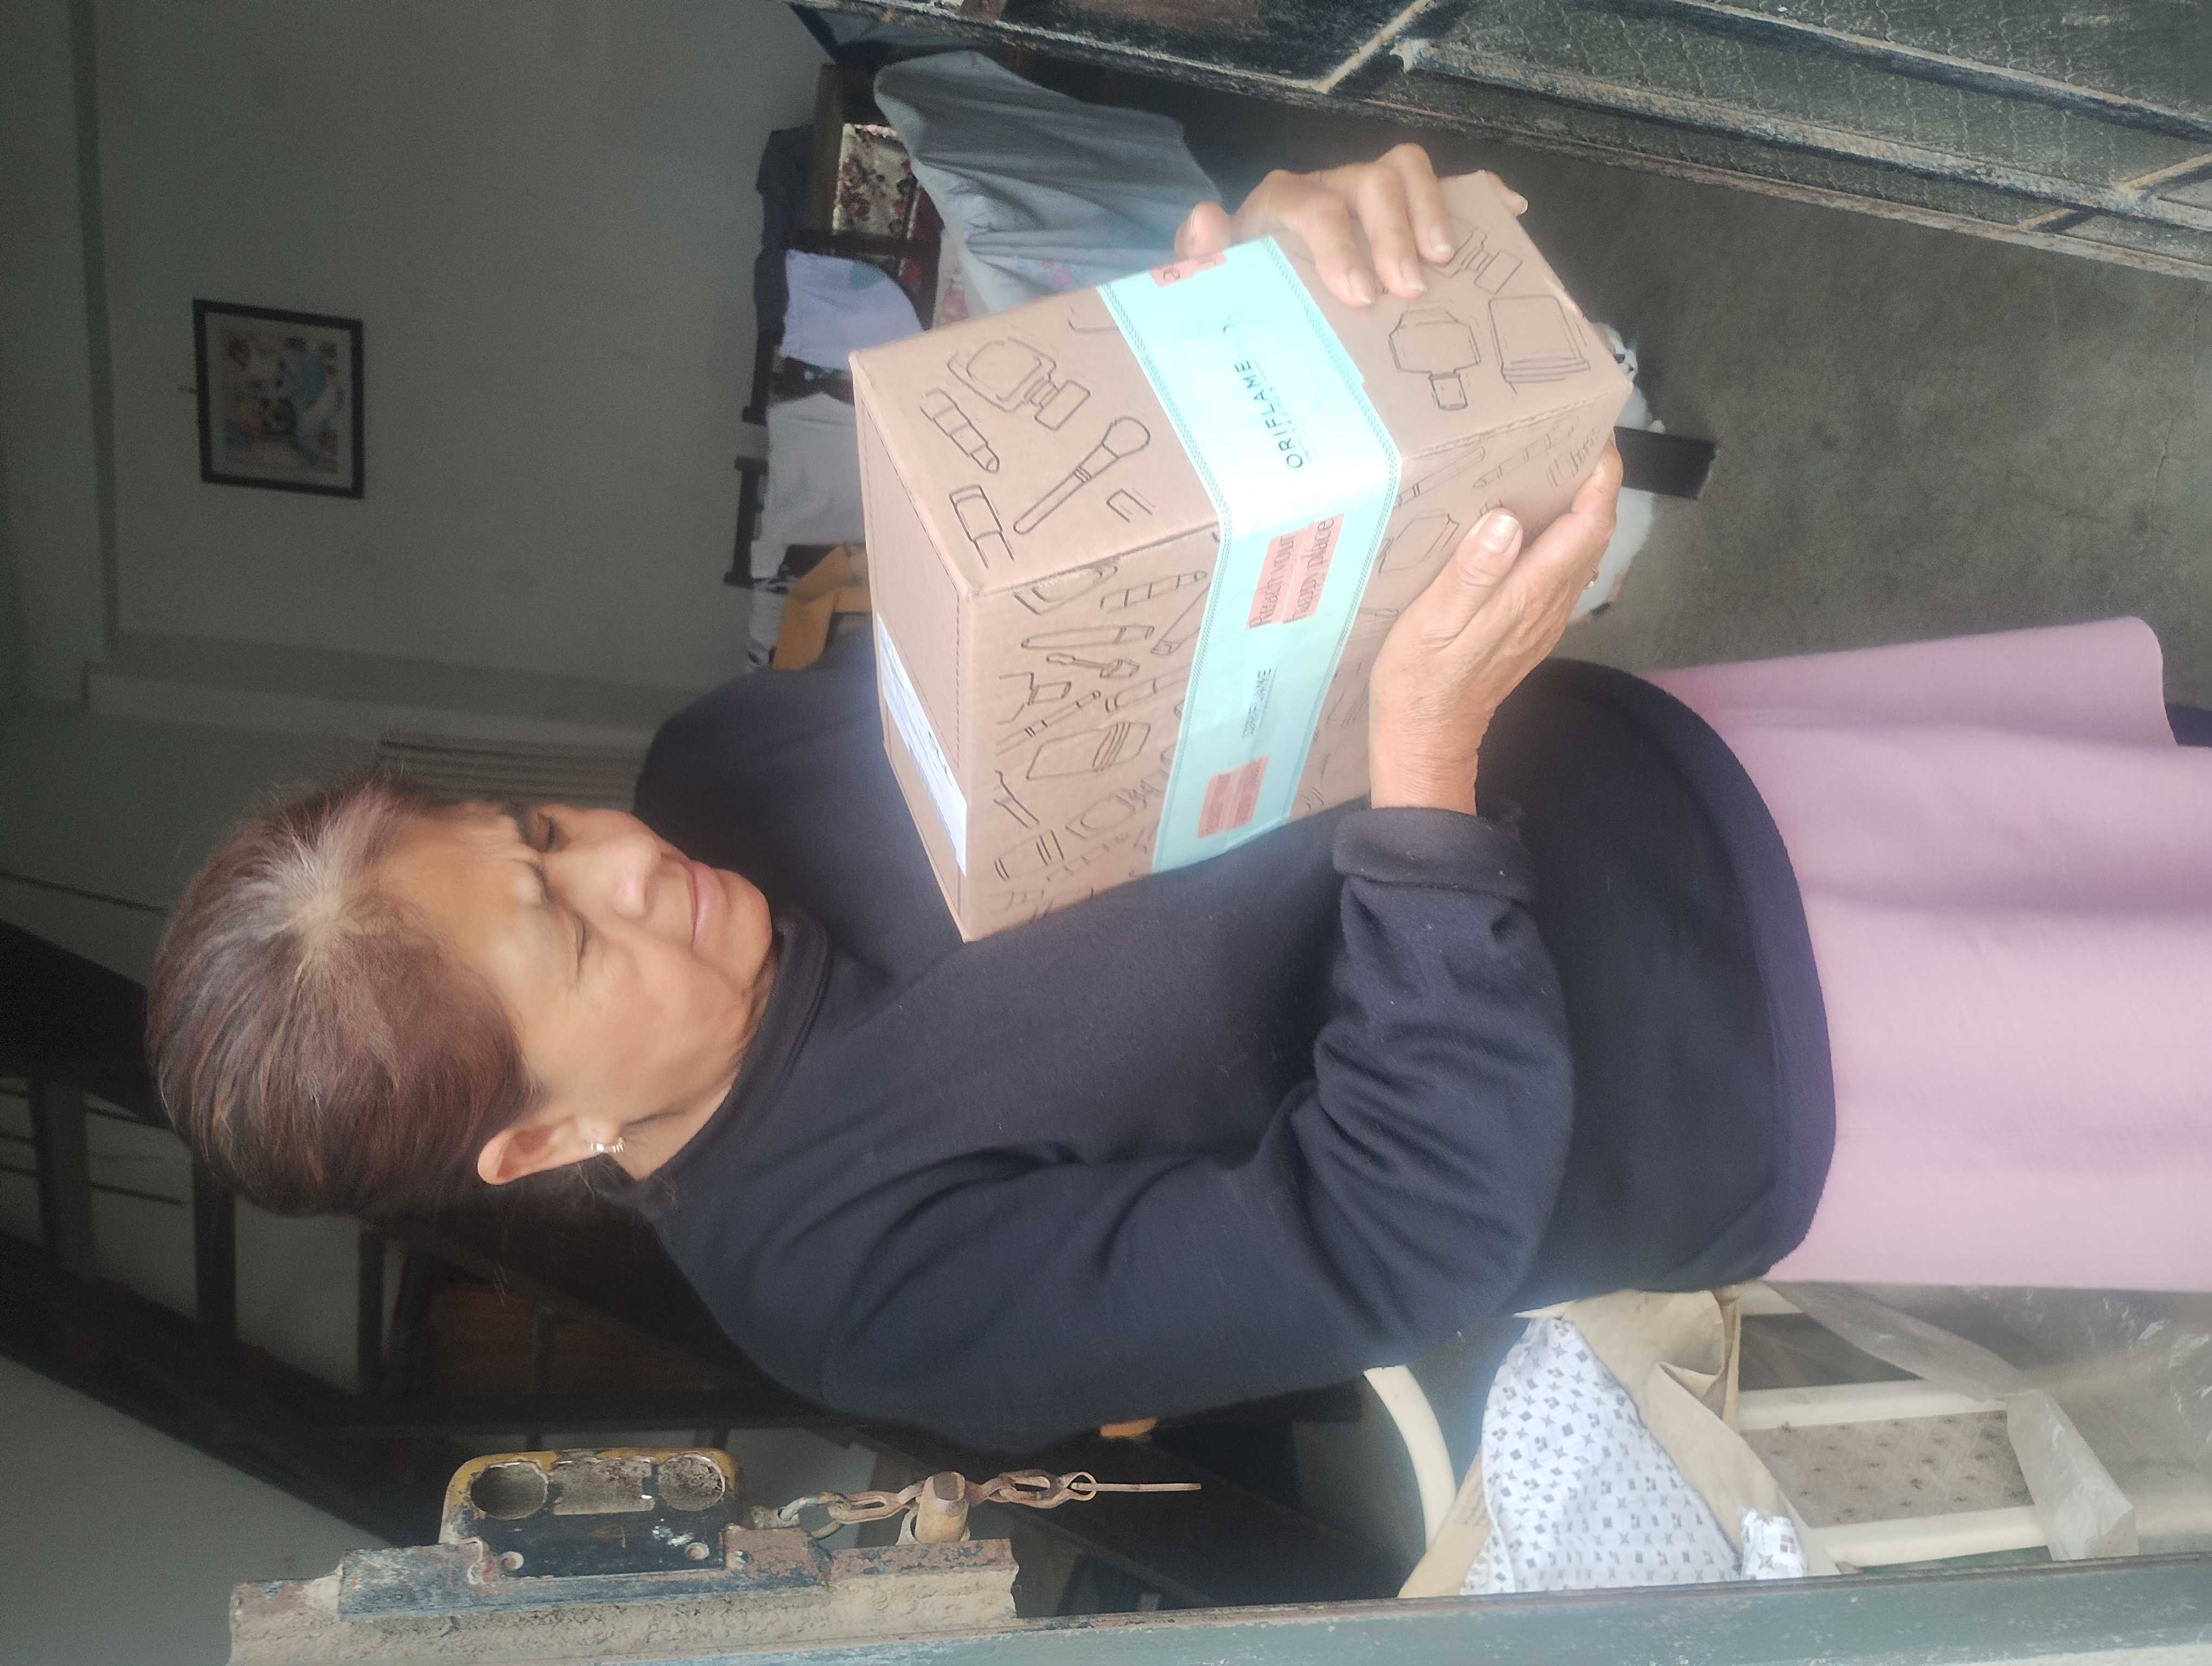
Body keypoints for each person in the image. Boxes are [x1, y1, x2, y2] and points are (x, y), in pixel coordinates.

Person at [148, 146, 2212, 1453]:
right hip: (1769, 1063)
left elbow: (1126, 646)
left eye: (534, 834)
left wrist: (1243, 326)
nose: (624, 860)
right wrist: (1421, 779)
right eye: (564, 933)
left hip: (1700, 772)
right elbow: (1395, 1236)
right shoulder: (851, 1288)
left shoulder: (725, 763)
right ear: (538, 1142)